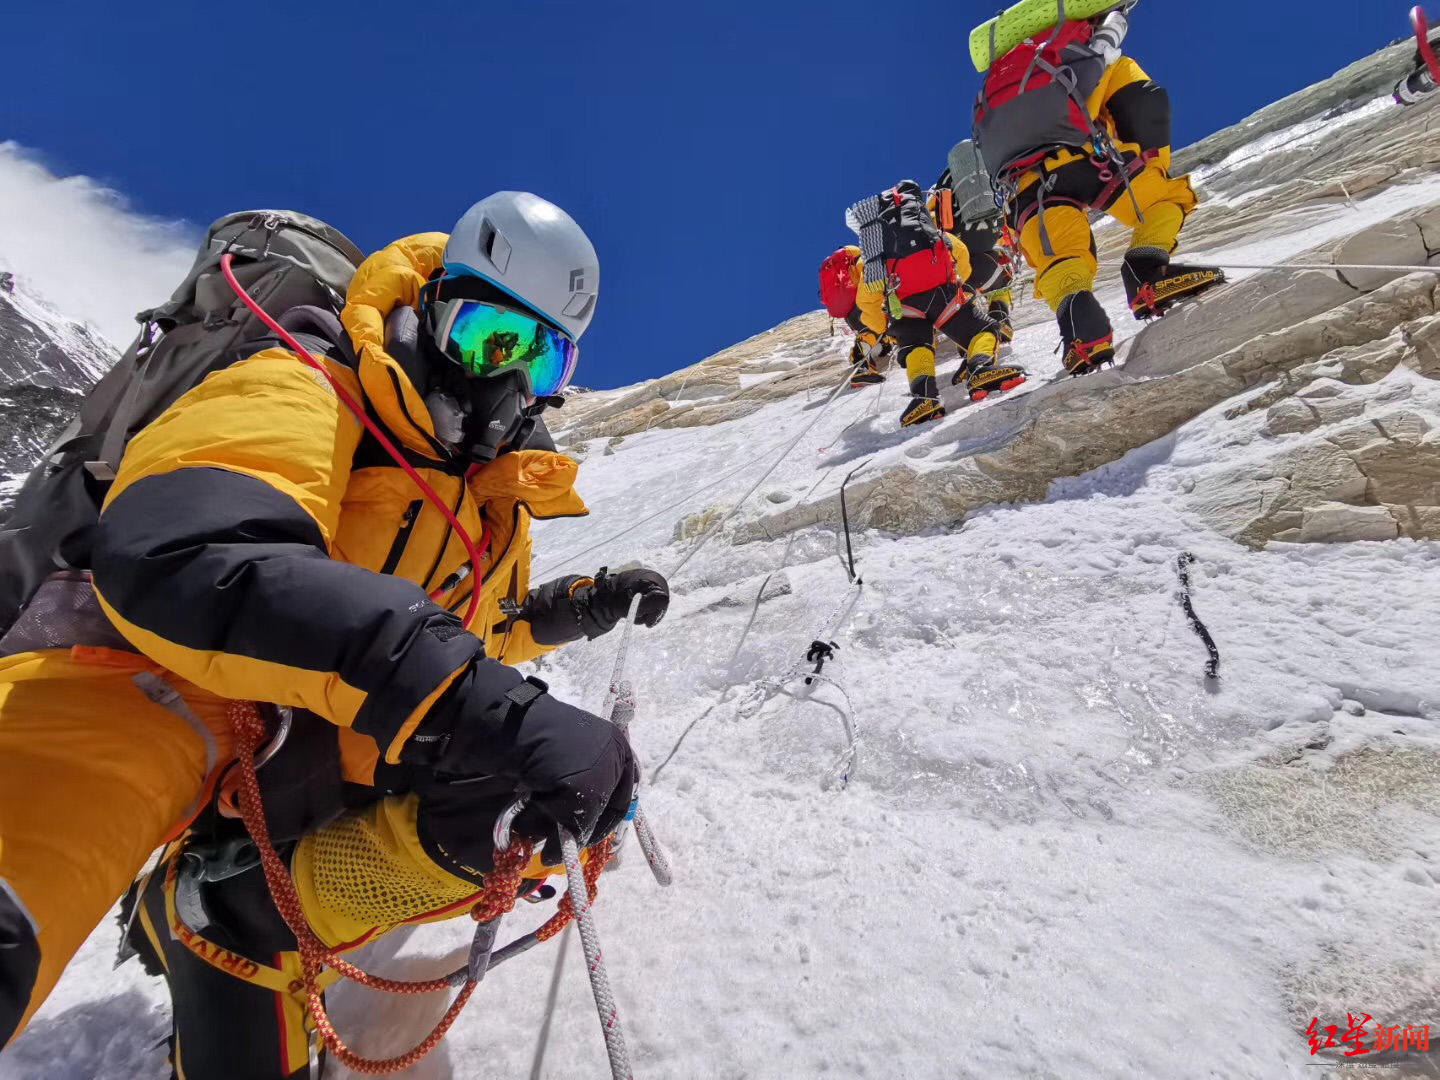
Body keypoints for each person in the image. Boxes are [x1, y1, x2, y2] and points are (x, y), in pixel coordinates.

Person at [0, 193, 669, 1073]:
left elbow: (471, 635)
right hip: (140, 681)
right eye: (486, 336)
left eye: (540, 361)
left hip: (306, 750)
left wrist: (575, 607)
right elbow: (189, 555)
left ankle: (228, 911)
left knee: (513, 809)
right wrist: (484, 705)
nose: (503, 381)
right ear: (427, 312)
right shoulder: (303, 379)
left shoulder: (486, 504)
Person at [972, 5, 1224, 376]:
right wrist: (1146, 159)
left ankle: (1080, 329)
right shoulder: (1090, 57)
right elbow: (1146, 100)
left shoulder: (1002, 83)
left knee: (1062, 256)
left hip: (1026, 188)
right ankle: (1147, 270)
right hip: (1087, 160)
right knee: (1165, 199)